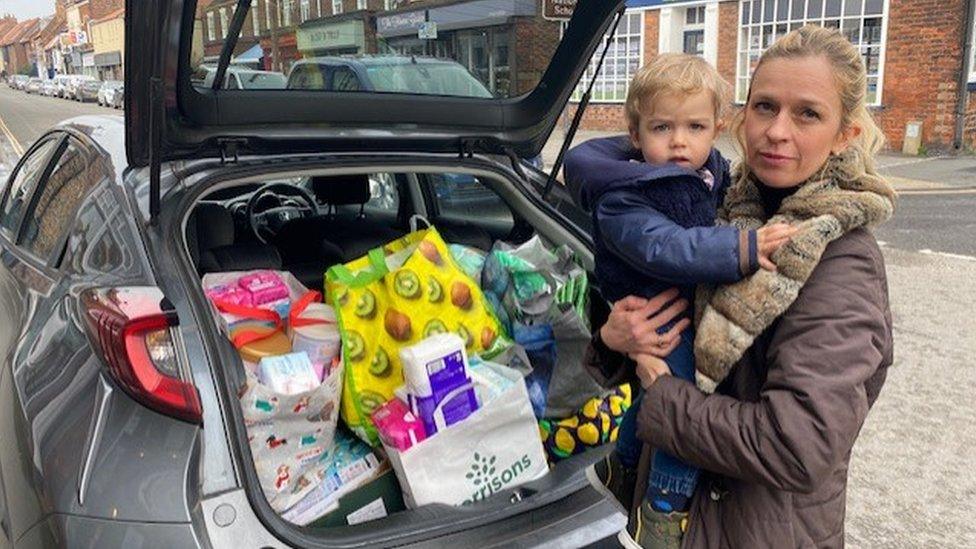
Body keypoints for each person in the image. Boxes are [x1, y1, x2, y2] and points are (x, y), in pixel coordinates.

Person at [582, 26, 896, 548]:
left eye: (808, 114)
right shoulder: (721, 208)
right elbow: (671, 324)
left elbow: (798, 447)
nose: (776, 130)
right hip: (672, 519)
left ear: (846, 135)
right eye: (765, 106)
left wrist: (664, 398)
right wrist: (615, 339)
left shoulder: (841, 261)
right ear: (741, 115)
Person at [563, 53, 797, 547]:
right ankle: (664, 507)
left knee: (652, 396)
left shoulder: (713, 175)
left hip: (674, 308)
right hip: (659, 311)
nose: (678, 141)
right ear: (635, 134)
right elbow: (668, 248)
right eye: (662, 127)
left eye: (694, 126)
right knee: (687, 398)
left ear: (716, 128)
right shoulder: (623, 195)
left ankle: (619, 466)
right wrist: (745, 247)